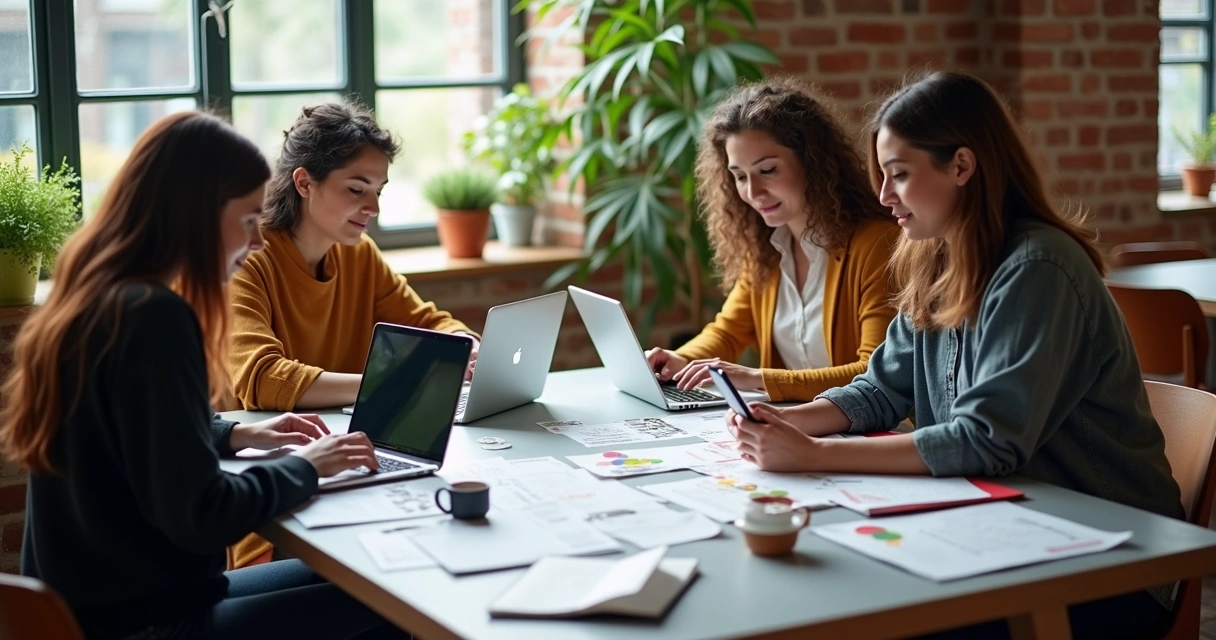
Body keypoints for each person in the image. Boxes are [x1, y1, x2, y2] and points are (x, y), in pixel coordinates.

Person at [728, 71, 1181, 639]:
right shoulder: (934, 258)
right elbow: (879, 388)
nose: (884, 196)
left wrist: (814, 453)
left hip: (1112, 558)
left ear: (961, 166)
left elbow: (984, 440)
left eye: (899, 175)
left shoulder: (1038, 269)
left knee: (869, 616)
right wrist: (789, 421)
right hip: (1000, 522)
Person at [0, 111, 402, 640]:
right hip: (147, 623)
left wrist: (231, 432)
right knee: (391, 598)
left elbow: (132, 434)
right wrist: (308, 465)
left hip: (96, 610)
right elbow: (204, 514)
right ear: (195, 213)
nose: (258, 242)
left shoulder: (98, 300)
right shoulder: (154, 317)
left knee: (371, 576)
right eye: (247, 221)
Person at [644, 77, 899, 402]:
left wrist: (757, 378)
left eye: (767, 170)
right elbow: (727, 332)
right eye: (739, 176)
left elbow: (870, 374)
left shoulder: (877, 245)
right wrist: (680, 360)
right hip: (800, 426)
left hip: (866, 432)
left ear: (813, 162)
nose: (753, 192)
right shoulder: (767, 250)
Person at [228, 100, 477, 413]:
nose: (374, 208)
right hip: (257, 448)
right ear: (304, 183)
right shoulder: (242, 259)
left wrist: (465, 345)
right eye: (357, 190)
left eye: (378, 191)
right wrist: (387, 383)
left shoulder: (359, 252)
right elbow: (263, 379)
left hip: (339, 434)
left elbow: (425, 322)